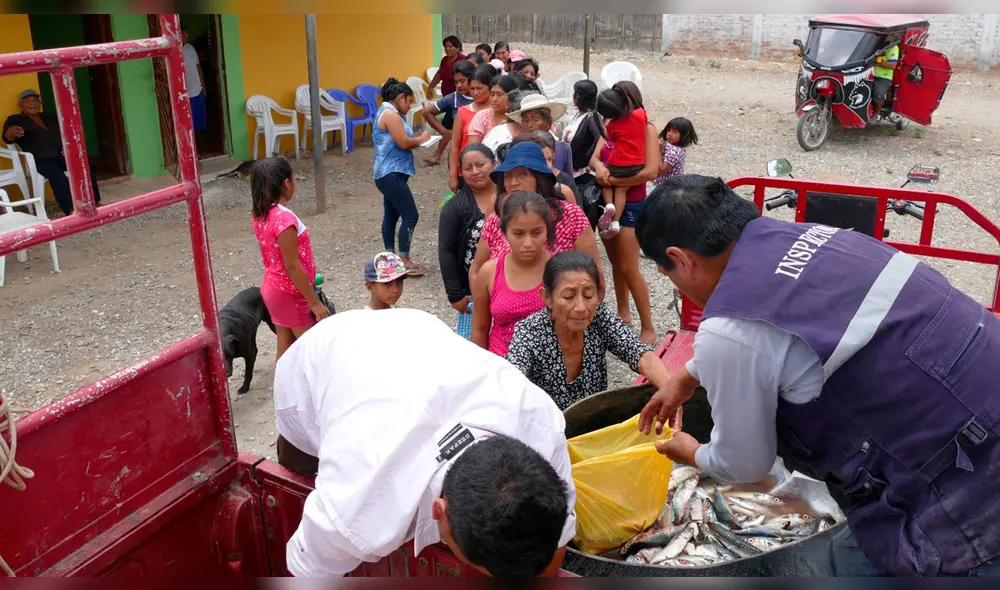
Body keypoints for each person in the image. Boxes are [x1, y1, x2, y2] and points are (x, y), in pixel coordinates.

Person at [634, 175, 1000, 578]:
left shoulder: (728, 327)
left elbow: (745, 464)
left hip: (972, 482)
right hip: (979, 384)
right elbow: (786, 333)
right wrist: (687, 375)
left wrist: (690, 451)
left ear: (681, 259)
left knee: (844, 569)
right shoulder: (825, 238)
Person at [273, 308, 577, 577]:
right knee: (298, 477)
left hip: (416, 334)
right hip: (322, 358)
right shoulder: (355, 511)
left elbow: (556, 544)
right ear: (439, 511)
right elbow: (308, 570)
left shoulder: (542, 427)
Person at [507, 251, 670, 410]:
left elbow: (641, 355)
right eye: (569, 296)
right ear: (547, 298)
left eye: (588, 295)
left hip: (592, 425)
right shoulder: (529, 332)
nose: (581, 307)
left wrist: (672, 392)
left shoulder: (599, 317)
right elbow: (511, 384)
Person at [468, 142, 603, 291]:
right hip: (505, 309)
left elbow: (594, 269)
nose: (513, 183)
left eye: (523, 174)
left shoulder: (569, 215)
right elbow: (476, 271)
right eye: (508, 176)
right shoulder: (497, 219)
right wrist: (483, 306)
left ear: (540, 178)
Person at [590, 81, 659, 344]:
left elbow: (650, 171)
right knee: (617, 263)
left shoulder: (647, 129)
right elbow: (595, 157)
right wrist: (600, 168)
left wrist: (611, 181)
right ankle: (623, 312)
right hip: (608, 201)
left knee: (630, 267)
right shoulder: (610, 124)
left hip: (632, 204)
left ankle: (649, 326)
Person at [250, 156, 329, 360]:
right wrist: (314, 302)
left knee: (285, 349)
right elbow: (292, 265)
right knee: (311, 353)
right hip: (291, 292)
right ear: (286, 183)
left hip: (273, 287)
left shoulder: (261, 213)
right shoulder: (284, 219)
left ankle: (283, 391)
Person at [470, 191, 552, 357]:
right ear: (504, 232)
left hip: (548, 372)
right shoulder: (489, 273)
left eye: (536, 233)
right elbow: (480, 329)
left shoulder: (559, 270)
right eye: (518, 233)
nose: (528, 243)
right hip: (502, 369)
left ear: (547, 230)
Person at [3, 89, 102, 215]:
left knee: (86, 167)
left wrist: (68, 148)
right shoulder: (15, 120)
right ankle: (71, 210)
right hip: (41, 159)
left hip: (61, 154)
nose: (32, 104)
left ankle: (94, 202)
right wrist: (12, 132)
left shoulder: (49, 116)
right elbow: (7, 138)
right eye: (27, 101)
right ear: (20, 105)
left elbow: (65, 131)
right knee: (57, 176)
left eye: (35, 101)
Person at [373, 78, 431, 276]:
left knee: (391, 214)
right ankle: (404, 259)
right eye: (408, 101)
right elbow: (403, 143)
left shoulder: (389, 112)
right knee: (411, 215)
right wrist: (422, 138)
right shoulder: (390, 114)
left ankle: (390, 259)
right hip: (391, 174)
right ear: (400, 98)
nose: (409, 105)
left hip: (387, 173)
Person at [439, 144, 497, 339]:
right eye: (468, 168)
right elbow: (446, 251)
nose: (475, 172)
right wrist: (455, 294)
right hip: (472, 290)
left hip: (511, 284)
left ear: (494, 164)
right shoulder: (454, 208)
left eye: (480, 164)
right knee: (475, 343)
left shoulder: (511, 198)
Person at [595, 83, 648, 240]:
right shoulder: (640, 115)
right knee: (621, 190)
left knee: (606, 183)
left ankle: (609, 205)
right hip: (637, 165)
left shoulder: (612, 126)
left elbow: (611, 140)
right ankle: (616, 222)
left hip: (618, 164)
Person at [562, 80, 604, 228]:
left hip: (581, 174)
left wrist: (590, 158)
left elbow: (600, 138)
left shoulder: (591, 117)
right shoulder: (580, 115)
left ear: (578, 96)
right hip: (571, 172)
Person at [448, 63, 497, 192]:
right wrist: (453, 176)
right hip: (468, 171)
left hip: (493, 170)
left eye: (479, 88)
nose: (475, 92)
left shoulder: (497, 111)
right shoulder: (463, 112)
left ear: (490, 87)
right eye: (472, 88)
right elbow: (455, 147)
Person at [421, 60, 475, 166]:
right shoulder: (454, 98)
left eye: (462, 81)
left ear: (472, 78)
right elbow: (427, 112)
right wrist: (444, 132)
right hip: (460, 151)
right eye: (456, 82)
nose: (459, 85)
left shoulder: (484, 95)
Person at [507, 93, 572, 176]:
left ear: (548, 123)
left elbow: (569, 180)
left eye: (535, 119)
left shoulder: (563, 148)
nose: (529, 125)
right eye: (525, 120)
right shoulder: (516, 149)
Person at [509, 132, 581, 205]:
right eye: (541, 160)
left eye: (549, 159)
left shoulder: (564, 193)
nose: (549, 166)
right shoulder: (507, 197)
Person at [466, 74, 520, 147]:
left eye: (499, 95)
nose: (494, 99)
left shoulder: (520, 116)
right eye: (492, 94)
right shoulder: (482, 116)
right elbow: (474, 149)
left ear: (512, 96)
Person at [653, 117, 698, 185]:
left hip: (669, 188)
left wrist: (659, 150)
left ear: (684, 135)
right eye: (668, 130)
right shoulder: (668, 144)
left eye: (675, 132)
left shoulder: (675, 151)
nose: (670, 134)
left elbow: (661, 170)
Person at [181, 23, 207, 135]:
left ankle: (200, 148)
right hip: (184, 94)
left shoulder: (190, 48)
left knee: (199, 123)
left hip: (197, 90)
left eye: (186, 32)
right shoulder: (174, 50)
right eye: (183, 32)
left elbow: (198, 67)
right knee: (187, 125)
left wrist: (203, 85)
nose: (186, 35)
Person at [871, 42, 899, 122]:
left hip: (883, 76)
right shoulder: (871, 43)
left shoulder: (892, 47)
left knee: (878, 95)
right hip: (867, 73)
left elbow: (893, 65)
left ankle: (876, 113)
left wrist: (879, 62)